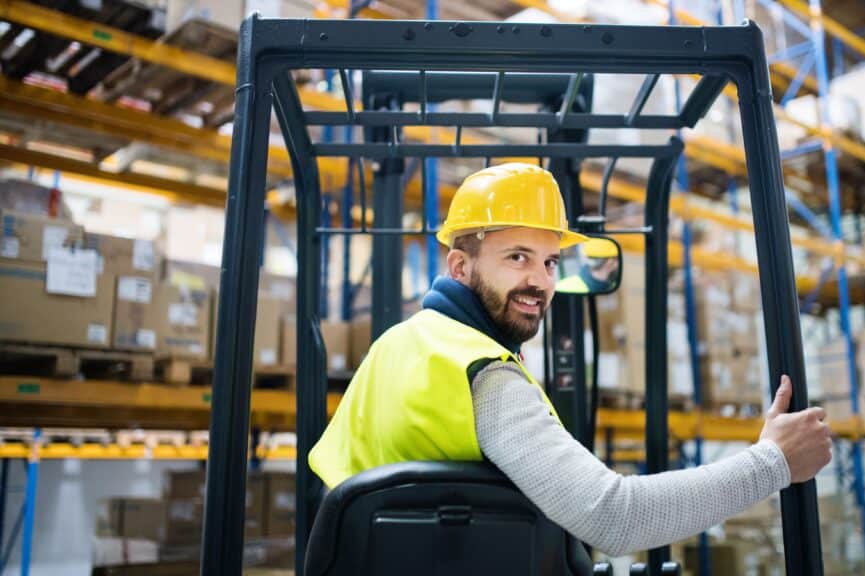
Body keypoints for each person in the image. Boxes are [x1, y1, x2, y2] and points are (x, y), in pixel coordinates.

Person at [309, 162, 832, 557]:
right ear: (461, 267)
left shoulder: (396, 345)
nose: (539, 281)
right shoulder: (480, 372)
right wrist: (773, 463)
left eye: (550, 261)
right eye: (517, 257)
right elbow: (614, 518)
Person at [556, 238, 621, 294]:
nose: (618, 264)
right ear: (610, 261)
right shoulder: (563, 288)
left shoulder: (613, 285)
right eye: (617, 259)